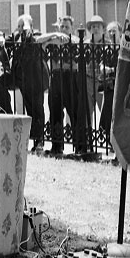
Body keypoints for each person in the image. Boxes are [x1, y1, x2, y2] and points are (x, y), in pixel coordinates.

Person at [10, 14, 50, 154]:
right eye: (19, 26)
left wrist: (27, 25)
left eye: (23, 26)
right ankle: (32, 139)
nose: (21, 29)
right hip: (24, 80)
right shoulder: (16, 38)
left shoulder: (36, 36)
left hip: (36, 79)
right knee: (29, 111)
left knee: (38, 109)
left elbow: (38, 39)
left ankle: (40, 141)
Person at [45, 16, 80, 157]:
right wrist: (54, 37)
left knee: (74, 112)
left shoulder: (76, 41)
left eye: (66, 26)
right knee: (55, 112)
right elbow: (39, 41)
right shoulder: (53, 41)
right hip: (55, 78)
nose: (64, 29)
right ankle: (57, 146)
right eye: (62, 26)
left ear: (72, 28)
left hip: (70, 78)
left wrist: (66, 38)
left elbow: (77, 42)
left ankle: (79, 146)